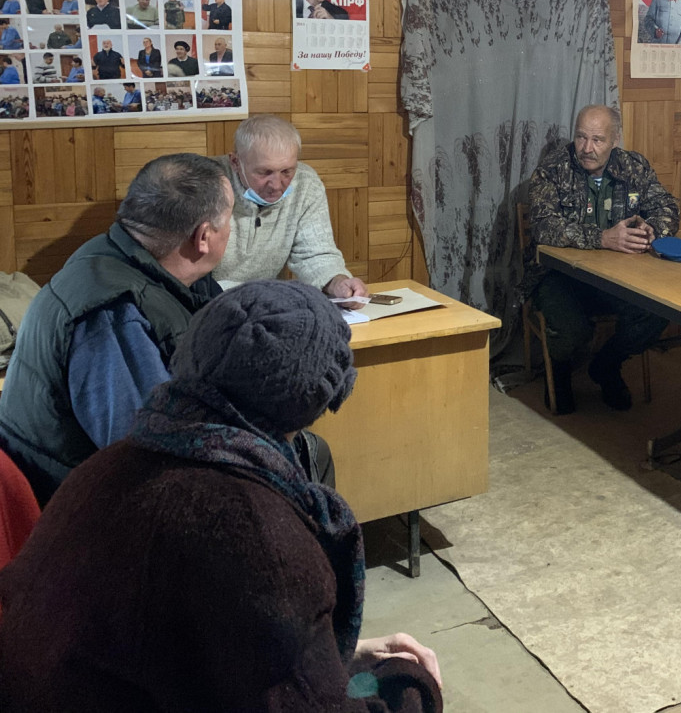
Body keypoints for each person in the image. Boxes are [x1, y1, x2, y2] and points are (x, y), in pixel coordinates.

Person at [0, 280, 444, 712]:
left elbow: (203, 653)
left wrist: (337, 658)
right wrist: (410, 684)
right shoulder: (254, 532)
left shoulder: (104, 467)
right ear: (320, 395)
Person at [0, 155, 231, 504]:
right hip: (80, 511)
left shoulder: (129, 258)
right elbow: (144, 456)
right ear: (204, 236)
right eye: (230, 219)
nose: (233, 228)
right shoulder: (112, 313)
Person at [526, 104, 679, 413]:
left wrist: (654, 229)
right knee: (572, 332)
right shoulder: (552, 170)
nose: (587, 148)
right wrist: (602, 238)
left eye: (597, 140)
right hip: (560, 277)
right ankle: (559, 372)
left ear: (615, 140)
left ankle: (606, 365)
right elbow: (543, 227)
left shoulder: (634, 167)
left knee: (657, 312)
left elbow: (666, 206)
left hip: (617, 277)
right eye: (581, 138)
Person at [215, 114, 368, 305]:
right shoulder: (204, 182)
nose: (276, 185)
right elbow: (186, 273)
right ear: (235, 162)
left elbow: (314, 253)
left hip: (268, 304)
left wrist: (337, 282)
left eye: (287, 171)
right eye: (264, 172)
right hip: (208, 303)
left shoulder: (305, 183)